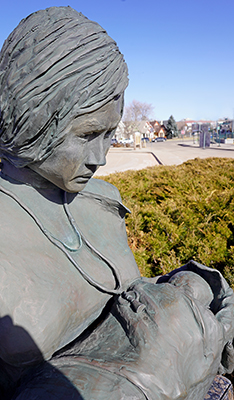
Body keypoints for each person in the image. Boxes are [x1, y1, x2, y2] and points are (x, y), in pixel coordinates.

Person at [0, 6, 234, 400]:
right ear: (32, 118)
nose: (101, 157)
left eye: (109, 133)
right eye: (88, 133)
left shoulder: (102, 200)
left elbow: (131, 296)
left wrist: (206, 293)